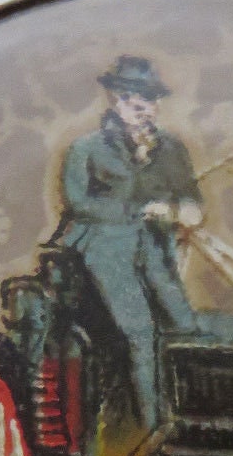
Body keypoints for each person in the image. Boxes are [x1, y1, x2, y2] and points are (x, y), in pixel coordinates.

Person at [53, 55, 205, 432]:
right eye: (130, 97)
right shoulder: (86, 149)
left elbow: (191, 201)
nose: (141, 106)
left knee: (184, 325)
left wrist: (181, 210)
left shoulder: (171, 149)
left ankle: (193, 417)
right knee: (140, 332)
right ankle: (154, 428)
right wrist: (137, 210)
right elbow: (78, 203)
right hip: (104, 249)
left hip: (156, 249)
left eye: (149, 98)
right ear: (115, 100)